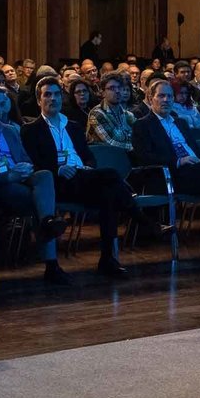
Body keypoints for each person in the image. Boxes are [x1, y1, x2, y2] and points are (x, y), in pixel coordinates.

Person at [22, 77, 141, 280]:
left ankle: (107, 259)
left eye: (57, 94)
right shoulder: (31, 130)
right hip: (57, 182)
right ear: (39, 100)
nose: (53, 99)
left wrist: (87, 166)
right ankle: (141, 220)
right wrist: (58, 169)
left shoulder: (74, 126)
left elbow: (89, 157)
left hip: (83, 177)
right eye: (47, 95)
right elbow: (33, 163)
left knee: (108, 194)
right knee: (111, 176)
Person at [0, 85, 69, 283]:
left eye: (2, 104)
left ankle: (47, 222)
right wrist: (9, 176)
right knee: (42, 204)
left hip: (22, 179)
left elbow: (25, 158)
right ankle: (51, 259)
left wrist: (25, 168)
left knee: (44, 175)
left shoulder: (10, 131)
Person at [130, 80, 200, 234]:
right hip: (172, 174)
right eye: (161, 96)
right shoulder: (143, 125)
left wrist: (199, 161)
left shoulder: (181, 122)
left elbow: (196, 151)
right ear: (150, 98)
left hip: (197, 170)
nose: (166, 100)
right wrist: (179, 161)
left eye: (169, 96)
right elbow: (144, 158)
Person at [86, 72, 135, 150]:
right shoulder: (97, 114)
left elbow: (139, 136)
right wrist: (137, 148)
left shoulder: (128, 115)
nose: (117, 91)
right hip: (107, 158)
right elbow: (110, 143)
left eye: (119, 87)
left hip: (128, 157)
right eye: (112, 88)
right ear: (103, 92)